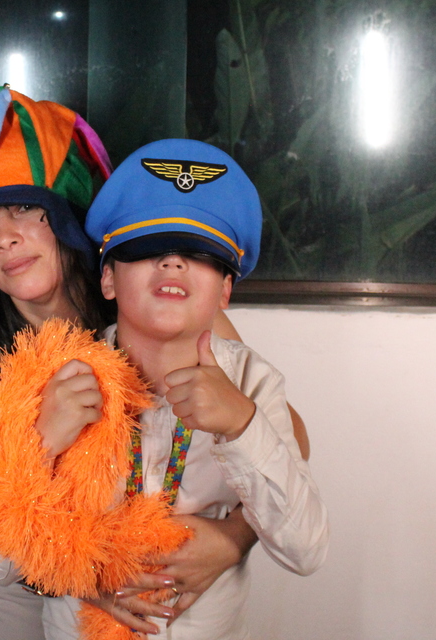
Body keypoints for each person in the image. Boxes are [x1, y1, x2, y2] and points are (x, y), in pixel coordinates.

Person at [0, 87, 269, 639]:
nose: (6, 238)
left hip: (152, 579)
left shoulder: (149, 300)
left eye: (24, 209)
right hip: (20, 584)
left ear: (64, 216)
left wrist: (233, 539)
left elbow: (281, 436)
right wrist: (81, 573)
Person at [28, 137, 330, 638]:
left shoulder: (252, 384)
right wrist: (42, 445)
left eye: (198, 252)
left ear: (226, 288)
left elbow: (307, 550)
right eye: (146, 247)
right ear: (108, 279)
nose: (172, 263)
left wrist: (241, 425)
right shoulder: (55, 377)